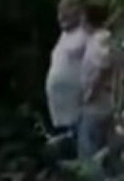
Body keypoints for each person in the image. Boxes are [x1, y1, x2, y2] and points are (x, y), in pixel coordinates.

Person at [78, 2, 117, 174]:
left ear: (87, 19)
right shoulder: (105, 38)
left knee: (90, 154)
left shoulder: (100, 40)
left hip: (96, 105)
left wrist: (91, 93)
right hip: (105, 102)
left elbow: (104, 66)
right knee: (107, 153)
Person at [46, 0, 87, 141]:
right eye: (59, 13)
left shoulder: (87, 33)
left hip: (81, 111)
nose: (60, 17)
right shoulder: (64, 36)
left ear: (78, 11)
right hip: (63, 113)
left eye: (65, 12)